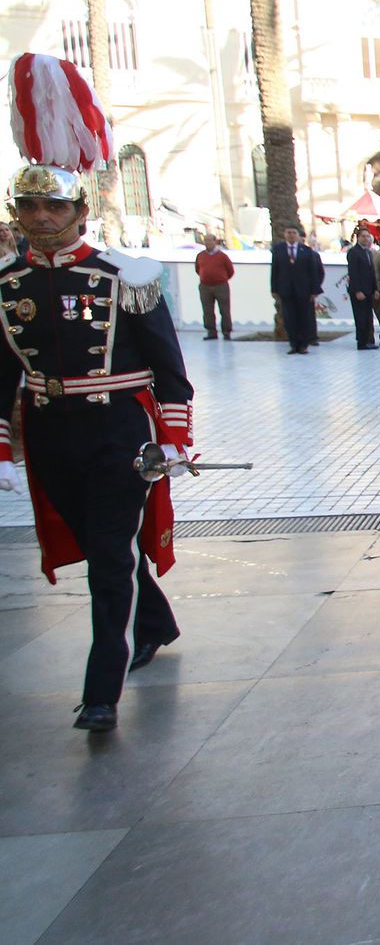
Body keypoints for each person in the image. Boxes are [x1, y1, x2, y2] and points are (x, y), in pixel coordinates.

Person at [0, 52, 193, 732]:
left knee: (108, 556)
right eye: (28, 203)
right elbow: (4, 371)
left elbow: (168, 367)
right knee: (100, 544)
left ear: (79, 207)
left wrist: (175, 435)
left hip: (118, 430)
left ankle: (101, 687)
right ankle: (156, 620)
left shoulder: (125, 275)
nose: (41, 215)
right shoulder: (8, 285)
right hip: (52, 434)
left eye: (54, 203)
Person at [271, 224, 323, 355]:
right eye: (288, 232)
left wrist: (314, 291)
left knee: (304, 318)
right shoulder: (279, 250)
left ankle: (304, 344)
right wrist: (274, 288)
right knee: (290, 318)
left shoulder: (306, 251)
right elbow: (275, 270)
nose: (291, 235)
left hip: (304, 291)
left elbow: (313, 272)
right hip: (286, 290)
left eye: (293, 232)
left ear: (298, 235)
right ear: (285, 234)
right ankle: (293, 344)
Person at [193, 232, 234, 340]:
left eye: (209, 240)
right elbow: (197, 269)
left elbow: (230, 271)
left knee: (224, 310)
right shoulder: (200, 256)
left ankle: (226, 332)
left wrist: (221, 278)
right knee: (207, 310)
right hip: (205, 287)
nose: (207, 243)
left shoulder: (223, 256)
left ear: (215, 241)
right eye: (205, 241)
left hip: (221, 286)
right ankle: (211, 332)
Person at [346, 225, 379, 350]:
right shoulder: (353, 252)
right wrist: (357, 290)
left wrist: (375, 289)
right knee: (360, 317)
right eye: (363, 236)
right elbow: (353, 273)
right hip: (359, 291)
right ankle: (361, 342)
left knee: (368, 317)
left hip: (369, 290)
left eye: (367, 236)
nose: (365, 238)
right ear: (358, 238)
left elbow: (371, 272)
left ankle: (368, 340)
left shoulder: (368, 252)